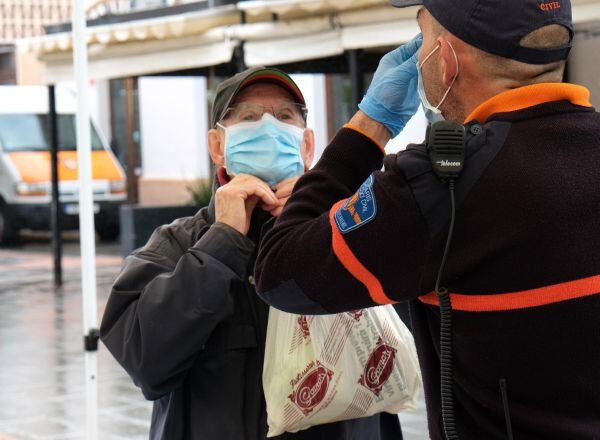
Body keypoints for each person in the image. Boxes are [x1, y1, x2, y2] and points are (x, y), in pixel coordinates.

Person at [254, 1, 600, 439]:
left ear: (447, 59)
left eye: (423, 39)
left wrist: (368, 127)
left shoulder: (436, 187)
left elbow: (282, 272)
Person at [100, 67, 403, 440]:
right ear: (217, 146)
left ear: (306, 145)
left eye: (283, 116)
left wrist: (326, 222)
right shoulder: (175, 245)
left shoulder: (345, 225)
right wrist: (223, 241)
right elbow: (145, 361)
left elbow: (401, 335)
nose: (268, 128)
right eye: (249, 117)